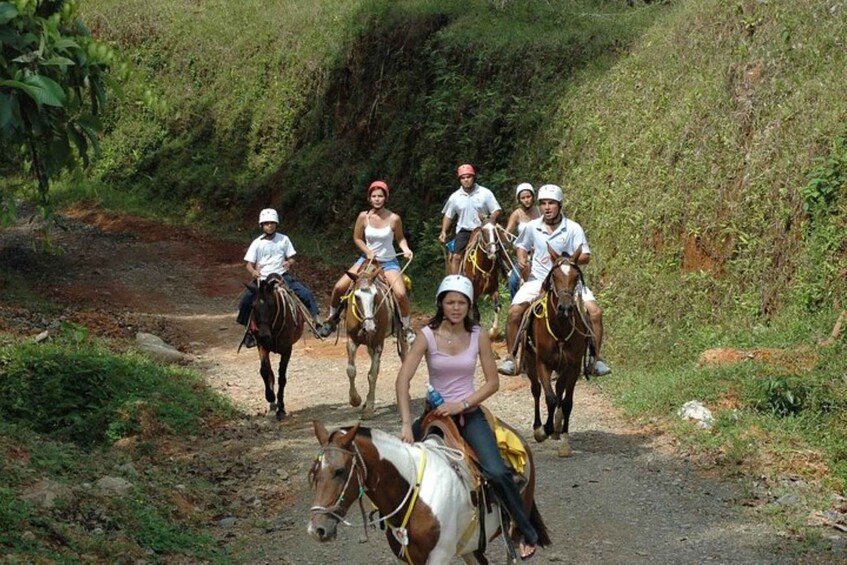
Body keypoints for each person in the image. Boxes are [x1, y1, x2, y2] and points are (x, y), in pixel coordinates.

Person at [395, 275, 539, 560]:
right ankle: (400, 529)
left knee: (496, 471)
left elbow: (492, 382)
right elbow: (403, 380)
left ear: (469, 305)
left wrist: (461, 404)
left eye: (461, 302)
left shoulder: (478, 335)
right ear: (441, 304)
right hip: (433, 416)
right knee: (397, 469)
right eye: (450, 302)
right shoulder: (426, 335)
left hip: (469, 414)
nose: (456, 307)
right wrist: (405, 424)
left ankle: (524, 528)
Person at [496, 184, 611, 377]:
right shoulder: (533, 227)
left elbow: (586, 256)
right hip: (538, 280)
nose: (547, 207)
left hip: (568, 282)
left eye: (551, 203)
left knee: (595, 312)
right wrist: (522, 257)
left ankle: (595, 359)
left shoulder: (573, 228)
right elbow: (521, 246)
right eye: (543, 203)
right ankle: (511, 357)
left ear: (560, 205)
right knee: (515, 312)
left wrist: (565, 261)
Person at [316, 180, 415, 342]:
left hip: (388, 262)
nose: (377, 199)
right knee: (339, 286)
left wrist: (405, 249)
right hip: (367, 262)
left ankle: (406, 327)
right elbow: (357, 238)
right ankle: (332, 319)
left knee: (400, 293)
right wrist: (368, 251)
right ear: (369, 198)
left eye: (380, 196)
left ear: (385, 198)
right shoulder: (364, 217)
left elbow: (400, 238)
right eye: (374, 196)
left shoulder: (394, 218)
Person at [236, 208, 322, 346]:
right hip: (263, 279)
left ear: (276, 224)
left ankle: (317, 321)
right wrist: (253, 272)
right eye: (266, 223)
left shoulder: (284, 239)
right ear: (261, 225)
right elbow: (248, 264)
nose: (269, 225)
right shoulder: (257, 243)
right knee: (246, 301)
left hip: (281, 276)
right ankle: (249, 332)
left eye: (272, 223)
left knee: (305, 293)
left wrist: (289, 262)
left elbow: (292, 257)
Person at [438, 164, 502, 275]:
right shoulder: (455, 197)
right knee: (456, 256)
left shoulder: (485, 193)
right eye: (463, 178)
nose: (466, 180)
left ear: (473, 177)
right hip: (465, 230)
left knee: (500, 250)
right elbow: (448, 216)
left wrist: (489, 219)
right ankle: (455, 283)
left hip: (483, 229)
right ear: (460, 180)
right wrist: (443, 231)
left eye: (468, 177)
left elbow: (496, 210)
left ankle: (508, 273)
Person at [504, 182, 540, 301]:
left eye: (528, 197)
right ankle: (515, 306)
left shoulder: (541, 212)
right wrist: (503, 237)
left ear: (533, 197)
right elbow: (508, 234)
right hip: (523, 255)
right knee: (513, 281)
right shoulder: (516, 214)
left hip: (541, 254)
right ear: (519, 199)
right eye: (523, 198)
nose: (526, 200)